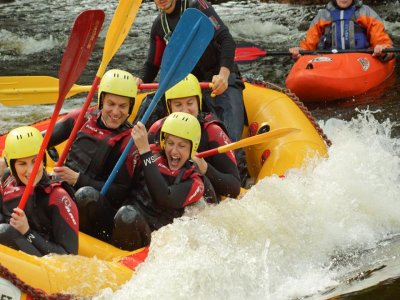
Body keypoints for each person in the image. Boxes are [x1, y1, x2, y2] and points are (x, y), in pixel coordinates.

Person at [48, 69, 141, 243]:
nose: (115, 112)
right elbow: (41, 142)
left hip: (98, 206)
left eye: (123, 106)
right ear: (101, 101)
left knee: (86, 195)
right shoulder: (81, 118)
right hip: (66, 190)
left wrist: (77, 179)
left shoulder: (129, 141)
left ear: (130, 107)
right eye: (111, 104)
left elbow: (120, 192)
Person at [137, 0, 246, 143]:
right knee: (148, 104)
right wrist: (140, 80)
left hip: (218, 82)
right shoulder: (159, 25)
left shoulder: (198, 6)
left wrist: (223, 75)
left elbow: (227, 40)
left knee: (229, 138)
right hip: (189, 89)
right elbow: (152, 65)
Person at [111, 112, 207, 250]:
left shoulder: (194, 182)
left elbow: (164, 197)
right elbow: (121, 186)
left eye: (182, 146)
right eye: (170, 143)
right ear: (163, 142)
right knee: (87, 196)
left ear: (193, 148)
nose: (174, 151)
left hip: (149, 237)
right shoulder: (151, 154)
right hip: (123, 220)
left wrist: (144, 151)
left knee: (127, 215)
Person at [147, 74, 241, 201]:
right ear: (169, 107)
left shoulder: (213, 132)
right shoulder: (157, 130)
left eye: (190, 103)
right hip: (168, 194)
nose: (185, 110)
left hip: (204, 201)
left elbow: (234, 188)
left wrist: (205, 168)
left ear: (198, 103)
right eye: (178, 105)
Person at [0, 126, 79, 256]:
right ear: (12, 166)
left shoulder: (58, 197)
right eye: (22, 164)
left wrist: (27, 232)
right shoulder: (8, 179)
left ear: (43, 160)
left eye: (35, 161)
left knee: (4, 232)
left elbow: (70, 257)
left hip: (47, 260)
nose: (30, 170)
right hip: (15, 241)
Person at [289, 0, 394, 61]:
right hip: (329, 61)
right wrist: (300, 52)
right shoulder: (322, 16)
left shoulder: (366, 13)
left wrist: (382, 48)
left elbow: (382, 41)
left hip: (361, 61)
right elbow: (308, 45)